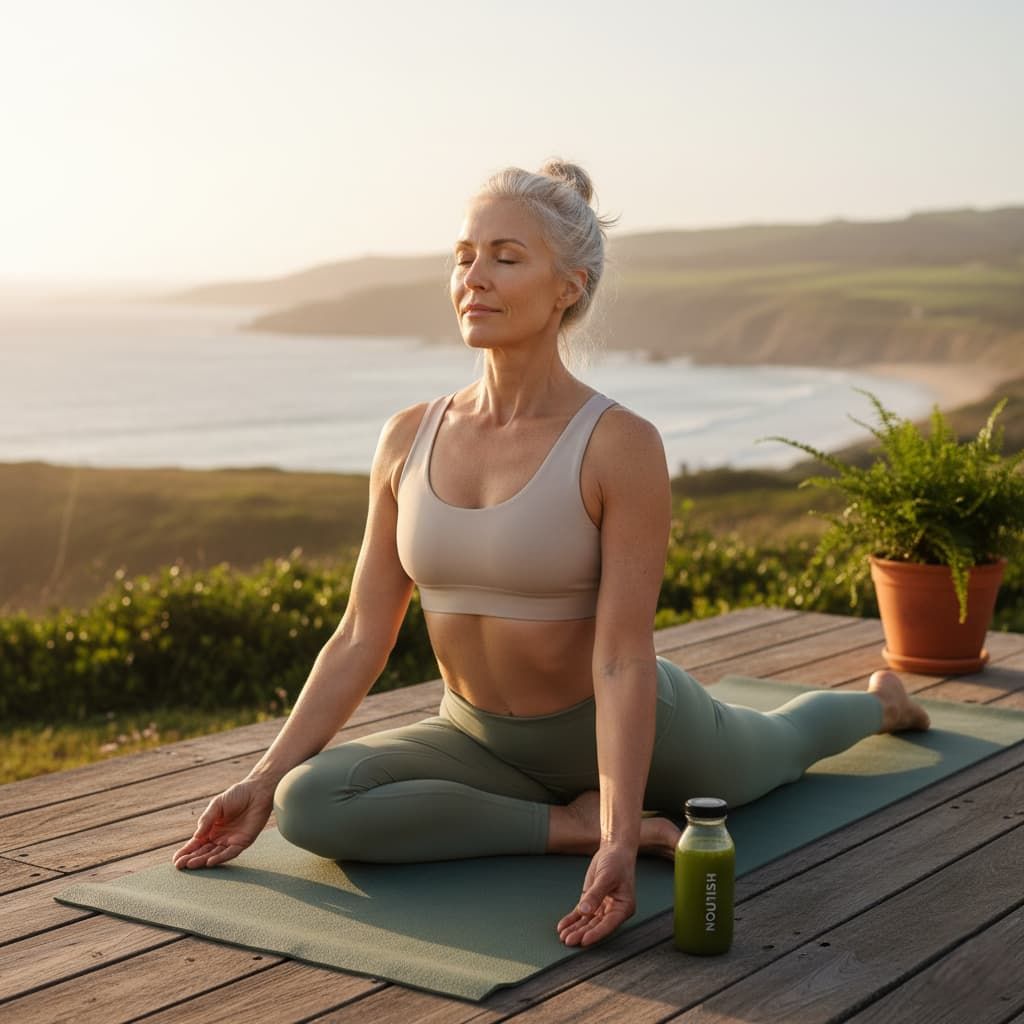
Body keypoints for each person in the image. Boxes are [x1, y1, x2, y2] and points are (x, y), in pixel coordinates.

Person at [172, 159, 930, 948]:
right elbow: (363, 633)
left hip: (635, 728)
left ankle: (882, 702)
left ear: (568, 286)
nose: (475, 278)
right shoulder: (406, 437)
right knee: (310, 803)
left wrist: (617, 832)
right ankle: (560, 824)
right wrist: (260, 779)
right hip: (474, 737)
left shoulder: (620, 445)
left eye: (506, 257)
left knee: (777, 749)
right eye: (464, 255)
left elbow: (622, 661)